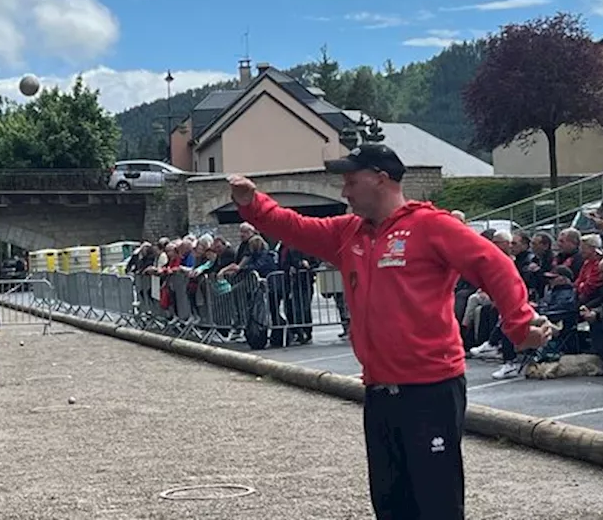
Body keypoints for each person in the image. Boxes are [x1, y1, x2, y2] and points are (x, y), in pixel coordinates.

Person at [229, 143, 549, 520]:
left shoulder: (432, 225)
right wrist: (252, 203)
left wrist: (518, 325)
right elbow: (294, 227)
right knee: (390, 503)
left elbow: (494, 265)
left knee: (437, 504)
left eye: (351, 181)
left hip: (430, 389)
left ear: (380, 179)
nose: (344, 191)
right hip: (379, 389)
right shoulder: (349, 232)